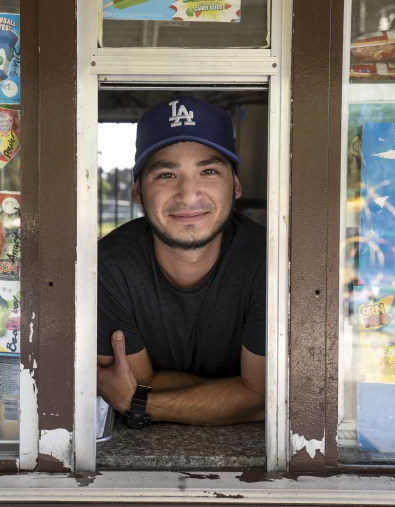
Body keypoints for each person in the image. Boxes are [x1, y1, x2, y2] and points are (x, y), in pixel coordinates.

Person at [97, 95, 266, 428]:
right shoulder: (109, 266)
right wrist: (238, 394)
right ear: (137, 192)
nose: (189, 195)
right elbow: (255, 396)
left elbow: (260, 400)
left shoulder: (267, 260)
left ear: (234, 186)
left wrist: (138, 402)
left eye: (208, 171)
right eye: (166, 176)